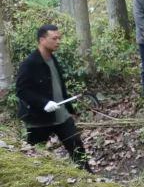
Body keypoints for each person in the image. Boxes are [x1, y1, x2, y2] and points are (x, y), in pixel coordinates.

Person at [15, 24, 91, 171]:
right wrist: (43, 103)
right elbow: (21, 90)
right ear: (42, 40)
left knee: (76, 146)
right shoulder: (29, 63)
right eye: (54, 38)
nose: (58, 41)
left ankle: (89, 178)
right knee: (34, 155)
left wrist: (70, 109)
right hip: (38, 120)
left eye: (59, 38)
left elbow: (58, 86)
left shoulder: (53, 59)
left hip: (61, 115)